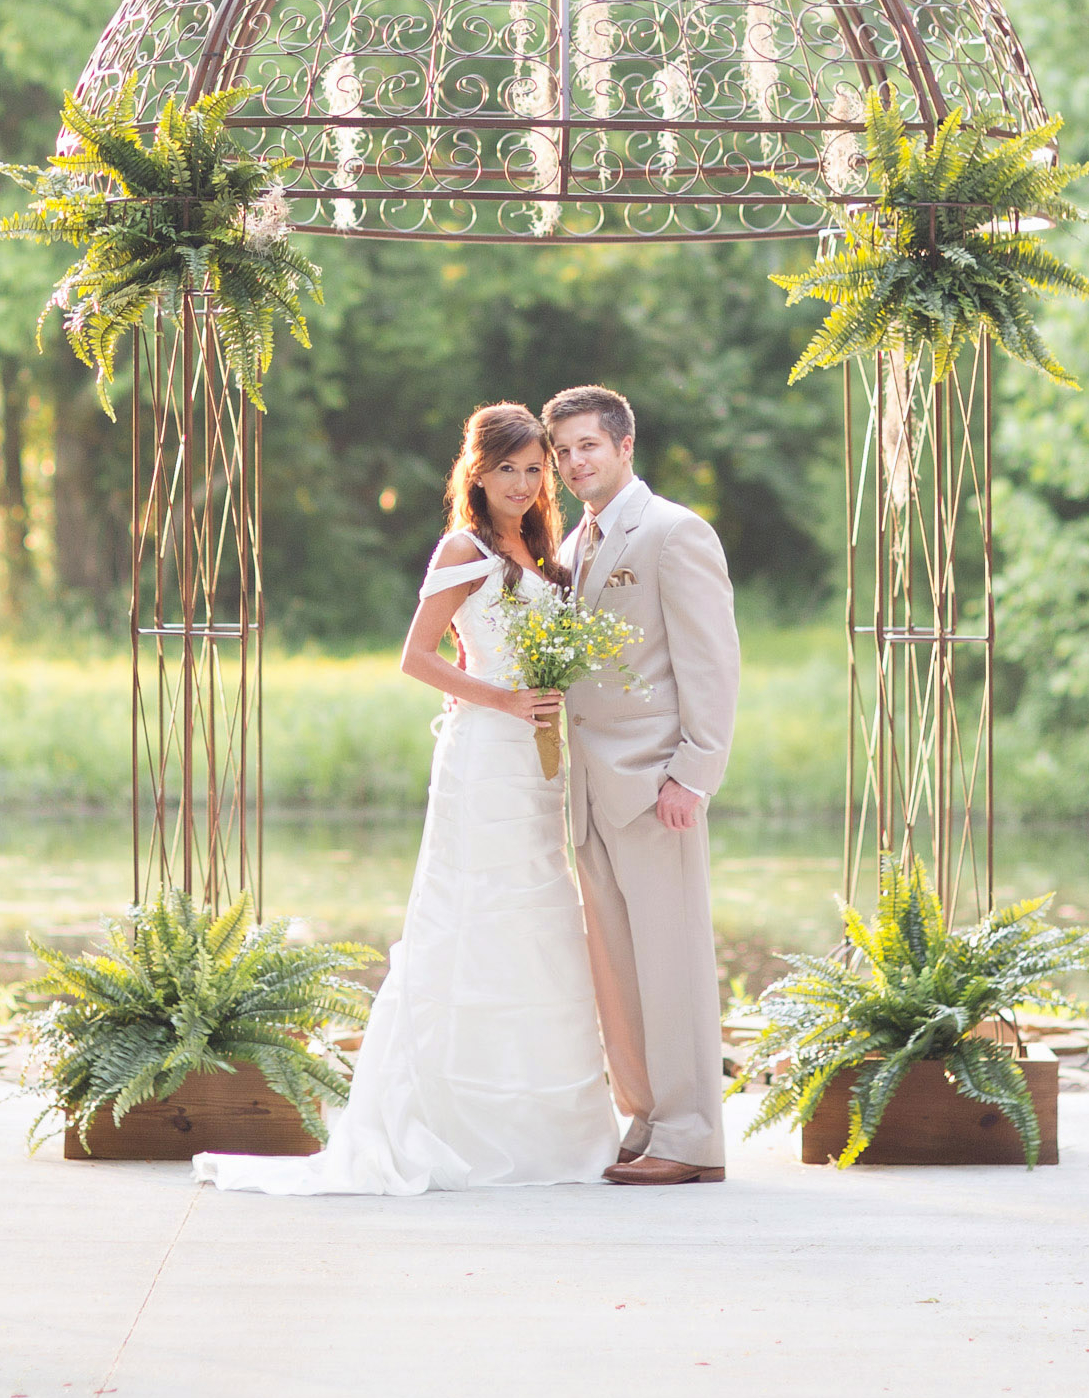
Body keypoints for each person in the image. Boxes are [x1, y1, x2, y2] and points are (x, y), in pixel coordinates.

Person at [194, 403, 619, 1195]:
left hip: (538, 763)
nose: (523, 483)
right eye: (507, 469)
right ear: (477, 474)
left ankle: (544, 1131)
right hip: (485, 755)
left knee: (538, 918)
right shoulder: (465, 548)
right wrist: (501, 698)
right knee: (475, 914)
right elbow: (415, 657)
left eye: (535, 469)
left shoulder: (548, 553)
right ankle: (447, 1117)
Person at [545, 383, 742, 1186]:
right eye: (562, 451)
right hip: (588, 789)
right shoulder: (573, 543)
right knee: (617, 970)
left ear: (625, 446)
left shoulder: (673, 532)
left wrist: (693, 773)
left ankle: (692, 1136)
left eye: (587, 445)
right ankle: (648, 1119)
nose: (573, 462)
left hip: (656, 785)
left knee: (673, 965)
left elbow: (712, 662)